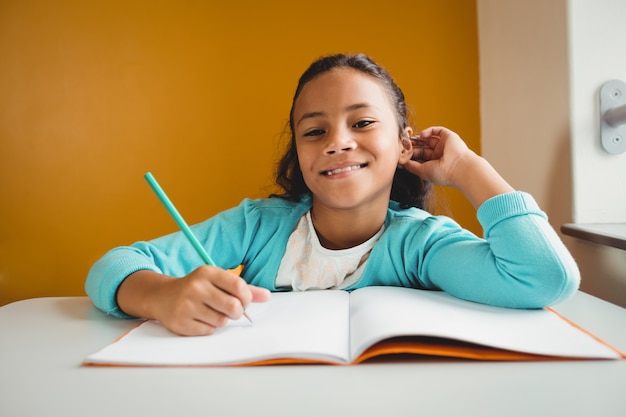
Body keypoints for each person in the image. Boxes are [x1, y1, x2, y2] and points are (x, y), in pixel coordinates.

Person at [85, 53, 580, 336]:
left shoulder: (422, 243)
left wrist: (469, 169)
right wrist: (159, 294)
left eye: (362, 123)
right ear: (298, 152)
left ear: (405, 143)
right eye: (314, 131)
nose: (338, 141)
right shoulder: (257, 225)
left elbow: (543, 278)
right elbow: (112, 266)